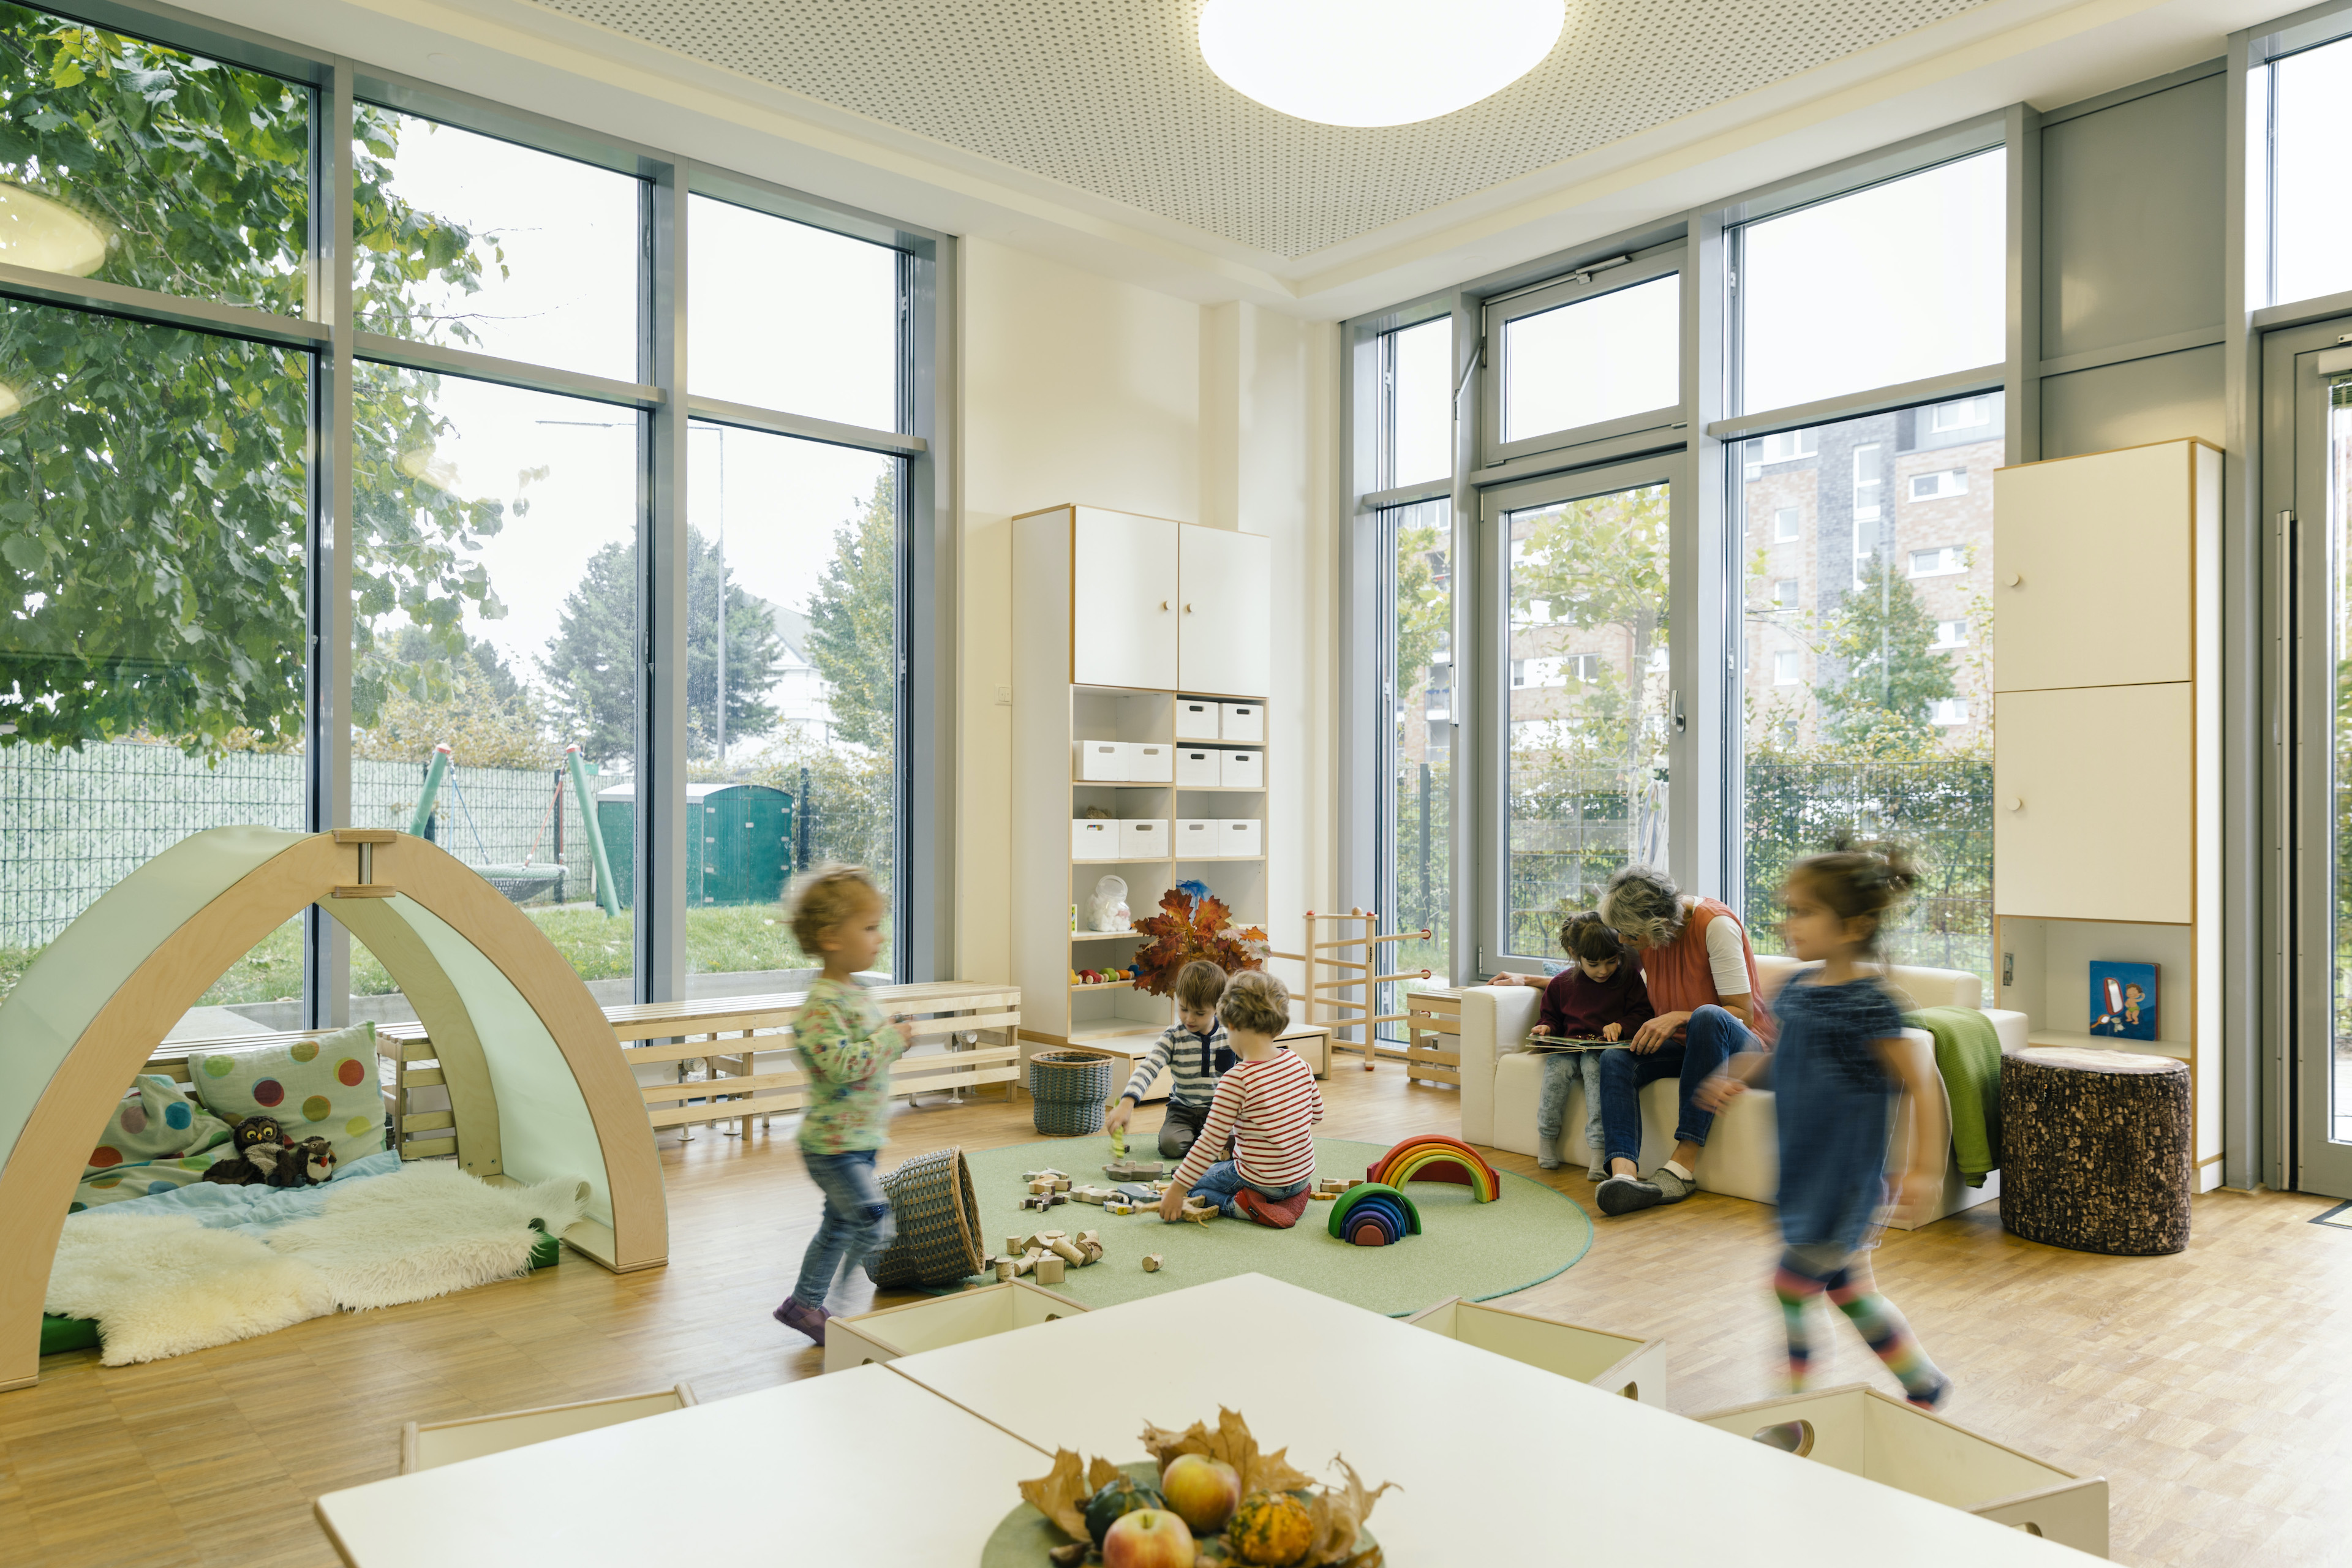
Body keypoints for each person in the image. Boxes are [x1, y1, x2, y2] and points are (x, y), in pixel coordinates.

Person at [1694, 843, 1951, 1409]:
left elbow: (1923, 1082)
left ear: (1854, 926)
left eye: (1805, 911)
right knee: (1851, 1292)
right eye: (1789, 909)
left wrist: (1925, 1169)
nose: (1789, 924)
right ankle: (1924, 1382)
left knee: (1790, 1287)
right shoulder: (1795, 989)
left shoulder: (1871, 1005)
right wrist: (1737, 1072)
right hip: (1804, 1172)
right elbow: (1784, 1056)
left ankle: (1791, 1414)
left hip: (1845, 1183)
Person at [1499, 865, 1774, 1215]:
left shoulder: (1715, 926)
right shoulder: (1646, 935)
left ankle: (1682, 1167)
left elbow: (1740, 1014)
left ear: (1656, 923)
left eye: (1629, 935)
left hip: (1741, 1045)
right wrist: (1528, 979)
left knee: (1706, 1015)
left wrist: (1677, 1016)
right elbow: (1593, 971)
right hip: (1685, 1044)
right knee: (1616, 1058)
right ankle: (1624, 1177)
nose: (1624, 943)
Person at [772, 864, 913, 1347]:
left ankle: (805, 1305)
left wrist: (890, 1031)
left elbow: (866, 1048)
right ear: (832, 937)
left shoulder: (855, 992)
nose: (880, 938)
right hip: (832, 1148)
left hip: (861, 1138)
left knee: (836, 1227)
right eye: (870, 927)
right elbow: (843, 1065)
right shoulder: (820, 1005)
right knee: (873, 1220)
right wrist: (891, 1040)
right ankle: (847, 1304)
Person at [1159, 971, 1323, 1227]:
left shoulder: (1237, 1079)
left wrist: (1175, 1191)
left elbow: (1209, 1145)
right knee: (1211, 1174)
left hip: (1261, 1180)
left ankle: (1244, 1206)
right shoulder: (1299, 1063)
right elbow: (1317, 1115)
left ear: (1231, 1025)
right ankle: (1290, 1197)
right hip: (1301, 1176)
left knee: (1193, 1185)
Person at [1529, 911, 1654, 1178]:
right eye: (1594, 964)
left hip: (1601, 1053)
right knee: (1556, 1073)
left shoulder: (1628, 978)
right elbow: (1551, 1016)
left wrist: (1622, 1025)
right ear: (1576, 954)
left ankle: (1599, 1153)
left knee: (1595, 1074)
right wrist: (1545, 1027)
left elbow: (1643, 1013)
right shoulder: (1561, 983)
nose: (1604, 970)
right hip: (1569, 1048)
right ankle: (1547, 1139)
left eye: (1611, 961)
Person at [1106, 959, 1232, 1160]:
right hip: (1182, 1109)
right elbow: (1148, 1067)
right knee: (1171, 1146)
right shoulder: (1173, 1036)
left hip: (1219, 1110)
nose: (1189, 1019)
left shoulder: (1231, 1034)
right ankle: (1204, 1144)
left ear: (1218, 1007)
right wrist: (1126, 1104)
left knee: (1235, 1144)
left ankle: (1206, 1143)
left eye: (1199, 1013)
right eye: (1184, 1009)